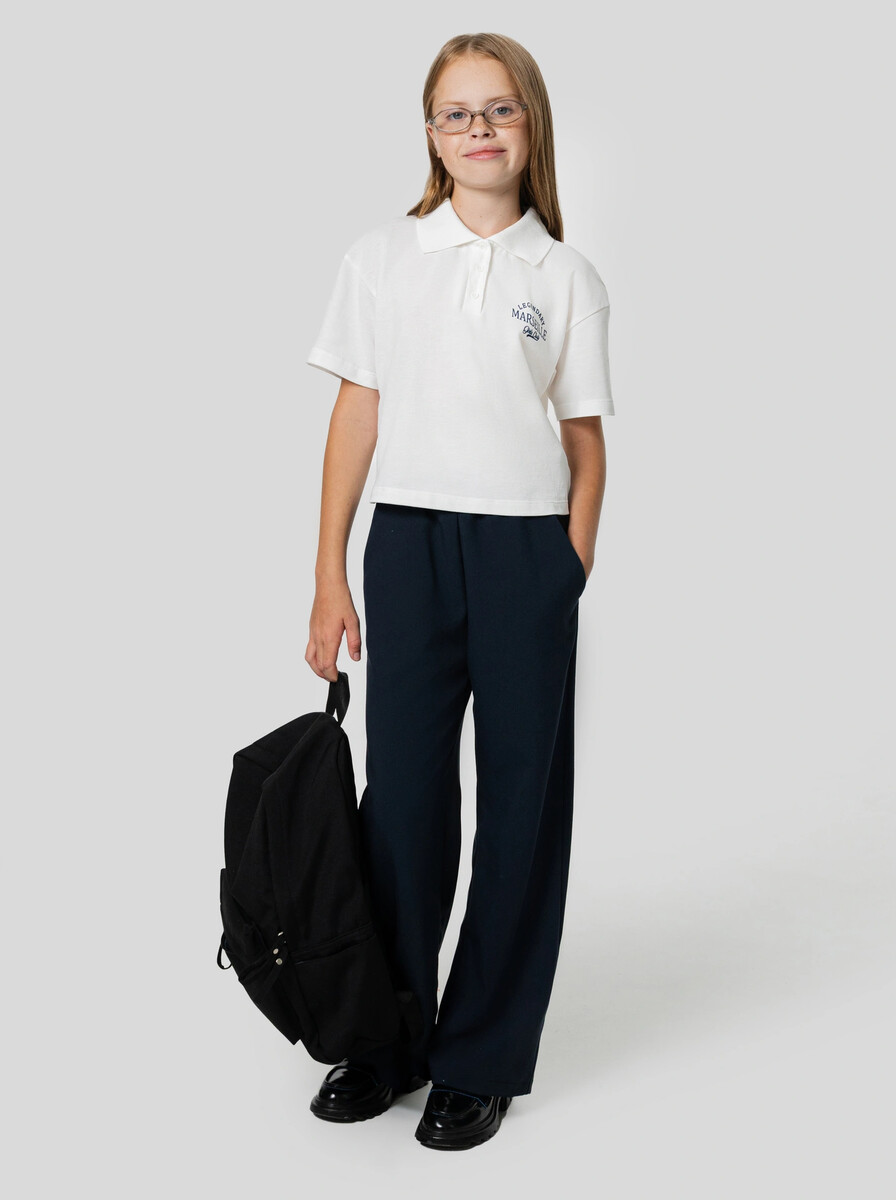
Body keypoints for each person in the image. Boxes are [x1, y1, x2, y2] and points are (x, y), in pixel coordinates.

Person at [303, 31, 615, 1151]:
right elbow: (357, 413)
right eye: (456, 112)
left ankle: (479, 1057)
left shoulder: (564, 276)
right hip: (409, 544)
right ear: (431, 134)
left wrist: (568, 565)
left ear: (531, 125)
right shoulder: (385, 256)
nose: (479, 130)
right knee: (403, 803)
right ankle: (384, 1038)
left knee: (522, 806)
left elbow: (585, 441)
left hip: (527, 552)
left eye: (500, 110)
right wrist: (329, 571)